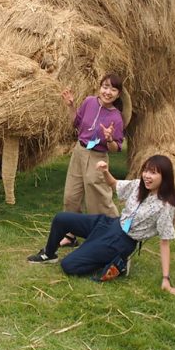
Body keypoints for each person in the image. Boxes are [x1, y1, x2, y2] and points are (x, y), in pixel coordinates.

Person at [27, 155, 175, 296]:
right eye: (146, 171)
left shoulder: (165, 206)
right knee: (61, 218)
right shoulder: (138, 185)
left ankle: (118, 262)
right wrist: (105, 171)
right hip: (110, 223)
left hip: (122, 241)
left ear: (165, 177)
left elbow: (164, 242)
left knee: (69, 265)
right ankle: (49, 254)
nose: (147, 176)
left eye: (153, 173)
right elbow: (114, 184)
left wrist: (165, 278)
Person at [59, 73, 126, 247]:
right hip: (79, 152)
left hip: (97, 158)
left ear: (118, 94)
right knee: (71, 197)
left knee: (99, 201)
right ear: (99, 87)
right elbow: (76, 122)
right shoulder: (89, 101)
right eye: (105, 87)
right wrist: (71, 106)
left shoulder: (116, 117)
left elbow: (116, 148)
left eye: (113, 89)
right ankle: (70, 235)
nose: (108, 92)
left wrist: (109, 139)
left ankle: (116, 234)